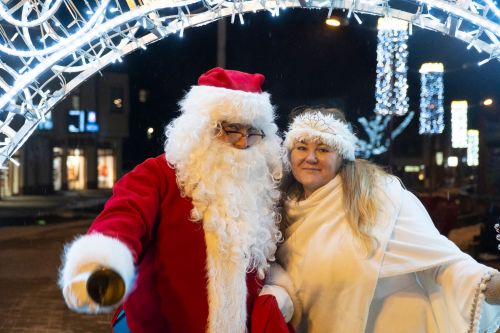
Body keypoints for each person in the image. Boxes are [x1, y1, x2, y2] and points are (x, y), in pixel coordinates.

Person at [58, 68, 294, 333]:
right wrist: (102, 262)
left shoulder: (261, 187)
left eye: (253, 132)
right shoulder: (160, 174)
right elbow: (124, 216)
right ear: (203, 128)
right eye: (232, 129)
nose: (242, 143)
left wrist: (279, 290)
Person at [265, 106, 500, 333]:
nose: (311, 158)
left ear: (342, 156)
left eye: (324, 149)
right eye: (302, 147)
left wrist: (487, 285)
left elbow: (440, 260)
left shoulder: (379, 197)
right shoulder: (281, 208)